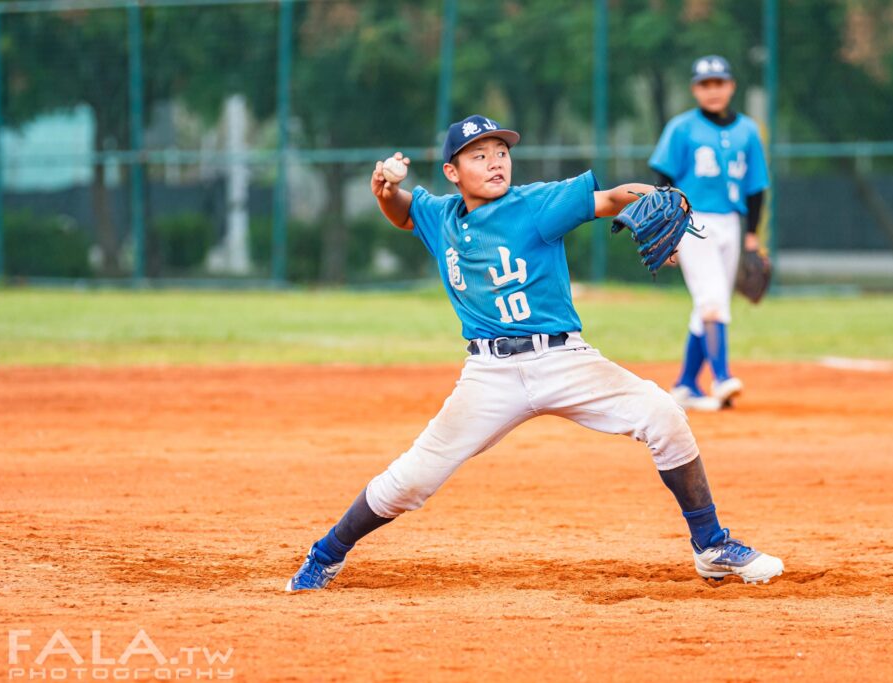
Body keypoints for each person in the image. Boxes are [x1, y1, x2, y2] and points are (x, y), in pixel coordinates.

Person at [286, 114, 784, 591]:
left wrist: (653, 194)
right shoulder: (442, 216)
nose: (496, 161)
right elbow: (404, 214)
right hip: (488, 374)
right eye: (479, 155)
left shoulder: (536, 204)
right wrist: (386, 192)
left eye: (501, 151)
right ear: (452, 173)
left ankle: (711, 545)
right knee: (410, 481)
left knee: (664, 415)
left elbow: (611, 198)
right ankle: (325, 554)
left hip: (564, 360)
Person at [648, 55, 769, 412]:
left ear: (731, 86)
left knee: (709, 304)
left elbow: (756, 187)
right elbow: (663, 182)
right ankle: (720, 377)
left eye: (719, 83)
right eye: (705, 84)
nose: (713, 90)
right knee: (713, 298)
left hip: (732, 221)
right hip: (692, 220)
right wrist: (665, 230)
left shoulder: (748, 130)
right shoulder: (682, 128)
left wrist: (751, 235)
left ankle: (685, 384)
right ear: (694, 90)